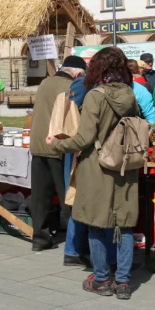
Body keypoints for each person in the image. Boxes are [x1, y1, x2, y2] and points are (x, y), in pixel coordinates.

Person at [48, 47, 139, 300]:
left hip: (97, 167)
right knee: (124, 224)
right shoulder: (130, 94)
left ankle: (101, 279)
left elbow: (84, 138)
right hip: (124, 166)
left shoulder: (95, 96)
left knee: (97, 224)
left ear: (97, 68)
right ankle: (123, 282)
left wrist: (56, 143)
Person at [29, 55, 87, 251]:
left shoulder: (45, 82)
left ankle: (39, 239)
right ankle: (75, 243)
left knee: (40, 196)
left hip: (38, 144)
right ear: (78, 73)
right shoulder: (72, 87)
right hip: (59, 145)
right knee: (67, 196)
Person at [63, 69, 90, 267]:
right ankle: (73, 250)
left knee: (78, 199)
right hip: (79, 151)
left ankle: (74, 250)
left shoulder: (82, 84)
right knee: (79, 198)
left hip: (78, 149)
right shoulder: (82, 85)